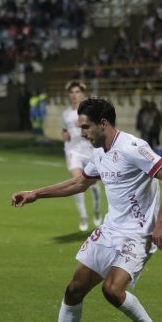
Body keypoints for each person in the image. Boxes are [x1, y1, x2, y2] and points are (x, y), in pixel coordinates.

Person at [12, 97, 162, 322]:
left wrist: (161, 223)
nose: (82, 133)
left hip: (137, 235)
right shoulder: (100, 152)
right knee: (73, 289)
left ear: (104, 124)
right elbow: (80, 182)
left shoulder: (133, 147)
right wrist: (36, 194)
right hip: (110, 230)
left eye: (86, 127)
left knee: (112, 290)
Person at [62, 80, 103, 232]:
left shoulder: (89, 111)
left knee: (93, 185)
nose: (74, 95)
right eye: (72, 92)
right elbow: (65, 130)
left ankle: (97, 210)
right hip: (73, 151)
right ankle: (84, 216)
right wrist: (64, 135)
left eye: (77, 92)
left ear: (83, 93)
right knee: (77, 182)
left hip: (90, 151)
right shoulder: (65, 113)